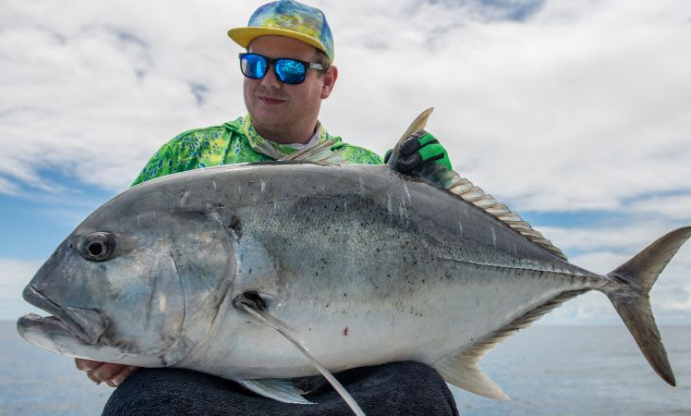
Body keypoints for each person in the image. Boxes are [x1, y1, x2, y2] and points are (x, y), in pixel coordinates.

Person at [77, 1, 457, 414]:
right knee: (143, 402)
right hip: (207, 380)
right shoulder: (188, 155)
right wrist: (110, 329)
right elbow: (128, 260)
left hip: (342, 376)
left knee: (419, 391)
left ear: (327, 81)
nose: (269, 81)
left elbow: (422, 271)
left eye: (291, 69)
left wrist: (437, 197)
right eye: (255, 65)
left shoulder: (366, 172)